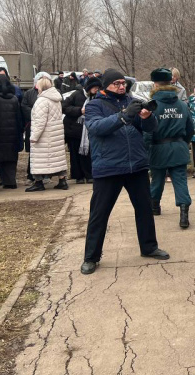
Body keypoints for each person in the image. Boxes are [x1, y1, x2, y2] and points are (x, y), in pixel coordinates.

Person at [80, 69, 169, 275]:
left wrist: (146, 117)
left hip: (136, 165)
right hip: (108, 167)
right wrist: (123, 116)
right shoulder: (94, 105)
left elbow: (150, 128)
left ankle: (149, 247)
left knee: (145, 209)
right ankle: (91, 257)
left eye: (123, 83)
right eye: (117, 83)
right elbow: (96, 128)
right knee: (99, 214)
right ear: (106, 85)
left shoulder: (131, 101)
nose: (122, 86)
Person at [145, 68, 194, 227]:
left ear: (155, 84)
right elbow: (190, 129)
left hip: (158, 148)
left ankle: (154, 207)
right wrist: (182, 143)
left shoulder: (152, 106)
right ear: (170, 82)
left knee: (157, 180)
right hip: (178, 147)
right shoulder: (182, 104)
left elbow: (148, 131)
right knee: (180, 180)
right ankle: (184, 214)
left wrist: (146, 149)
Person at [26, 76, 68, 192]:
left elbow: (40, 122)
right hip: (56, 134)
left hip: (44, 136)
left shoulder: (42, 101)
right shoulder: (56, 99)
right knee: (57, 158)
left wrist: (34, 137)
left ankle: (38, 182)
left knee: (39, 160)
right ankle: (62, 180)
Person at [0, 74, 23, 189]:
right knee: (10, 160)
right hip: (11, 135)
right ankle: (10, 182)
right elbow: (19, 118)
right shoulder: (14, 99)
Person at [62, 77, 98, 184]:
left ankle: (89, 174)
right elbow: (64, 107)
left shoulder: (97, 97)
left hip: (88, 130)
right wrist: (79, 111)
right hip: (74, 129)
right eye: (95, 87)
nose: (97, 89)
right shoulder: (76, 95)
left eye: (98, 88)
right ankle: (78, 176)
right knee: (75, 154)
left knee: (88, 153)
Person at [22, 72, 50, 182]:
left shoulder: (52, 93)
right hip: (32, 125)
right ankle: (31, 175)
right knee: (34, 152)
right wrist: (35, 114)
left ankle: (47, 175)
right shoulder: (29, 93)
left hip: (47, 128)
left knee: (47, 152)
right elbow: (24, 106)